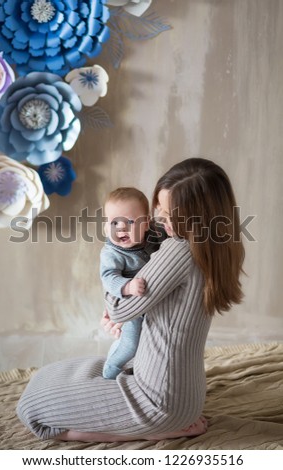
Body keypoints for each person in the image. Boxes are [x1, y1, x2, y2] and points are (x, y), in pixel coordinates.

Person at [17, 157, 245, 442]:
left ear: (195, 215)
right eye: (158, 208)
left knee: (32, 406)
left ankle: (157, 431)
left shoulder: (179, 250)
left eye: (170, 213)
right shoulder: (217, 246)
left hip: (159, 400)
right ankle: (160, 423)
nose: (160, 219)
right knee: (47, 376)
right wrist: (119, 312)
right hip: (180, 389)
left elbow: (122, 308)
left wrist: (112, 300)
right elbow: (141, 308)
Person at [101, 187, 165, 379]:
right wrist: (127, 286)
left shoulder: (156, 234)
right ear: (106, 226)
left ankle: (145, 371)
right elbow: (108, 277)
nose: (121, 228)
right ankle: (111, 368)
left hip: (154, 303)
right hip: (130, 305)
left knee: (151, 342)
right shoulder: (112, 253)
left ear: (147, 224)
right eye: (114, 222)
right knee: (130, 344)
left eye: (130, 221)